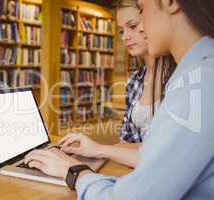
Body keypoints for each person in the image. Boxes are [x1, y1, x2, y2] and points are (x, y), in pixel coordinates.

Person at [25, 0, 214, 199]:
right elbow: (153, 156)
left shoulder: (198, 82)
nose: (141, 26)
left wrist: (73, 170)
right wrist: (98, 150)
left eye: (142, 9)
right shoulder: (195, 74)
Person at [56, 0, 177, 168]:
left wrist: (101, 149)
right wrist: (98, 149)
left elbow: (169, 151)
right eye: (121, 31)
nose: (126, 37)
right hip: (136, 169)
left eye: (133, 26)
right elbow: (125, 141)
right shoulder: (134, 81)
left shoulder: (179, 76)